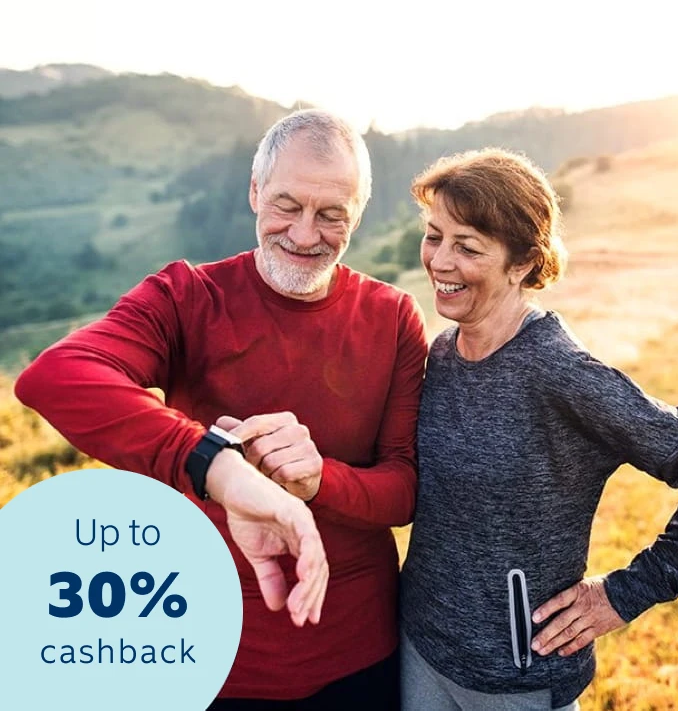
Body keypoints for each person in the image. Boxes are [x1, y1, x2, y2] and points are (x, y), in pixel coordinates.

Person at [15, 109, 428, 709]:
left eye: (331, 215)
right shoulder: (186, 297)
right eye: (287, 205)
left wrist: (319, 480)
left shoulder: (392, 317)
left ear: (357, 214)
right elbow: (56, 375)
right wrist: (215, 462)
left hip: (360, 658)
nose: (305, 235)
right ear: (255, 191)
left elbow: (403, 491)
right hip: (209, 656)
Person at [399, 148, 678, 711]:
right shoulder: (445, 352)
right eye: (434, 237)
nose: (440, 261)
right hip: (419, 651)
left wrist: (624, 594)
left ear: (522, 263)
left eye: (467, 247)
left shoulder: (563, 373)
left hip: (518, 679)